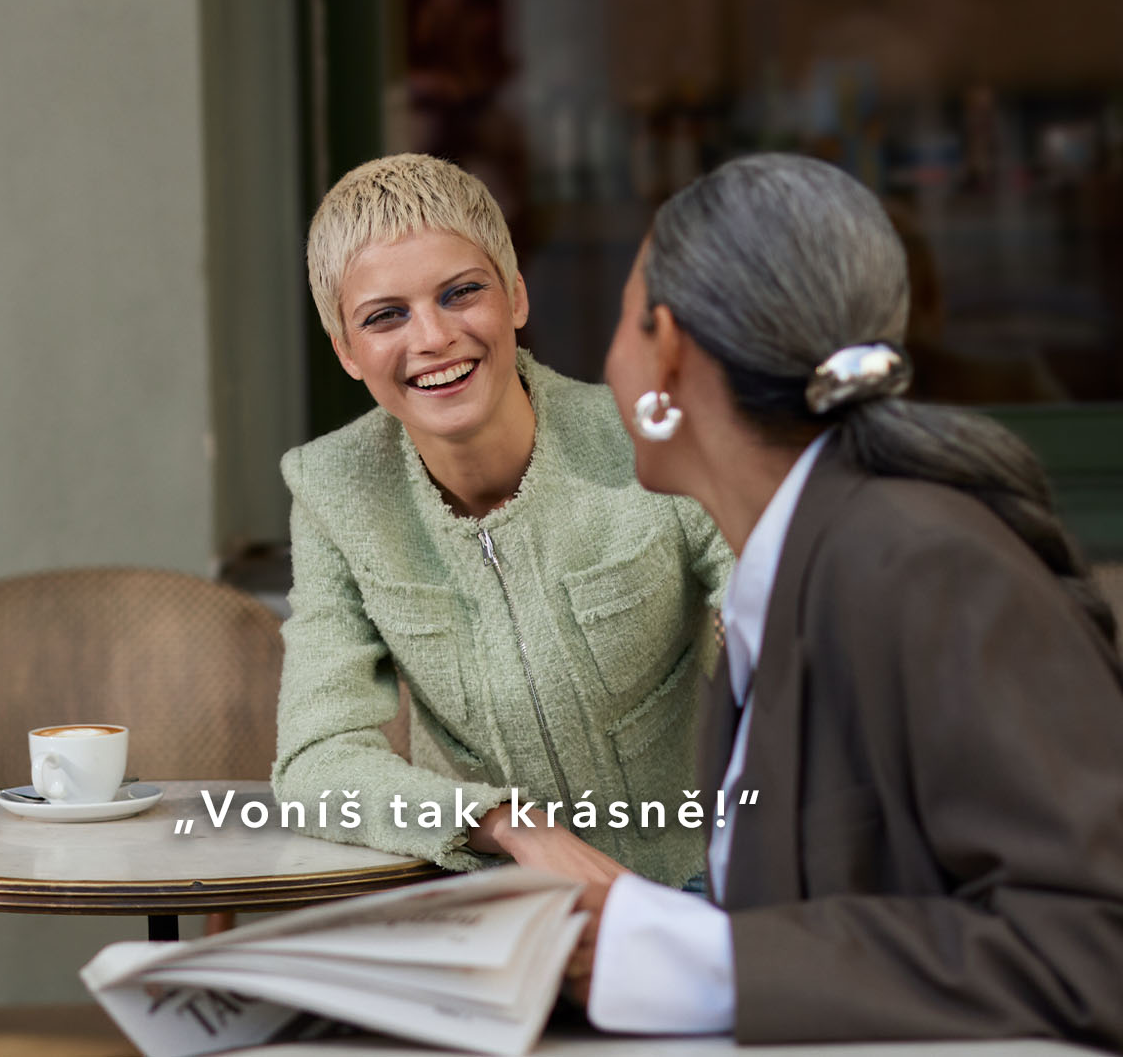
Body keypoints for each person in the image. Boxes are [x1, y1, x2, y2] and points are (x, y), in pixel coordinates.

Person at [569, 152, 1123, 1047]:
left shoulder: (923, 565)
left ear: (667, 350)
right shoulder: (793, 567)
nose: (606, 363)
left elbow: (1097, 944)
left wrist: (707, 964)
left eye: (624, 326)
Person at [272, 153, 731, 889]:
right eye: (386, 316)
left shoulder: (646, 439)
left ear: (516, 296)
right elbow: (315, 761)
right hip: (488, 901)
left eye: (461, 293)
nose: (432, 337)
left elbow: (777, 644)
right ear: (347, 351)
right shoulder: (335, 487)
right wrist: (505, 824)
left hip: (690, 887)